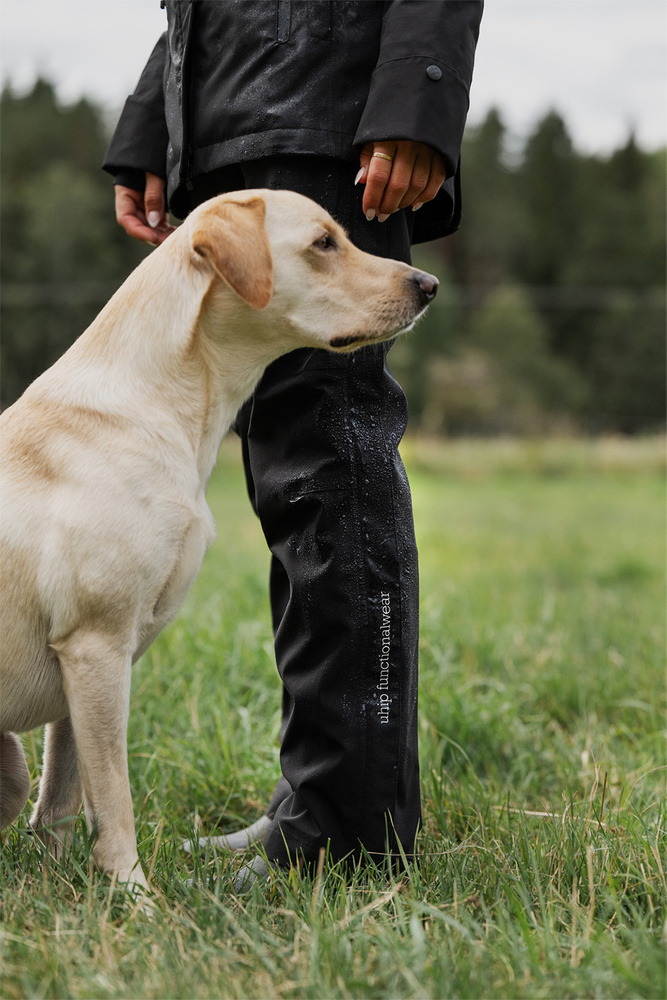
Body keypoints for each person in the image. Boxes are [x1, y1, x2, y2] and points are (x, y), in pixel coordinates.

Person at [104, 0, 483, 884]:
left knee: (327, 446)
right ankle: (315, 798)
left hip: (332, 111)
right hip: (225, 125)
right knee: (282, 457)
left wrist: (414, 98)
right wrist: (155, 122)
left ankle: (349, 825)